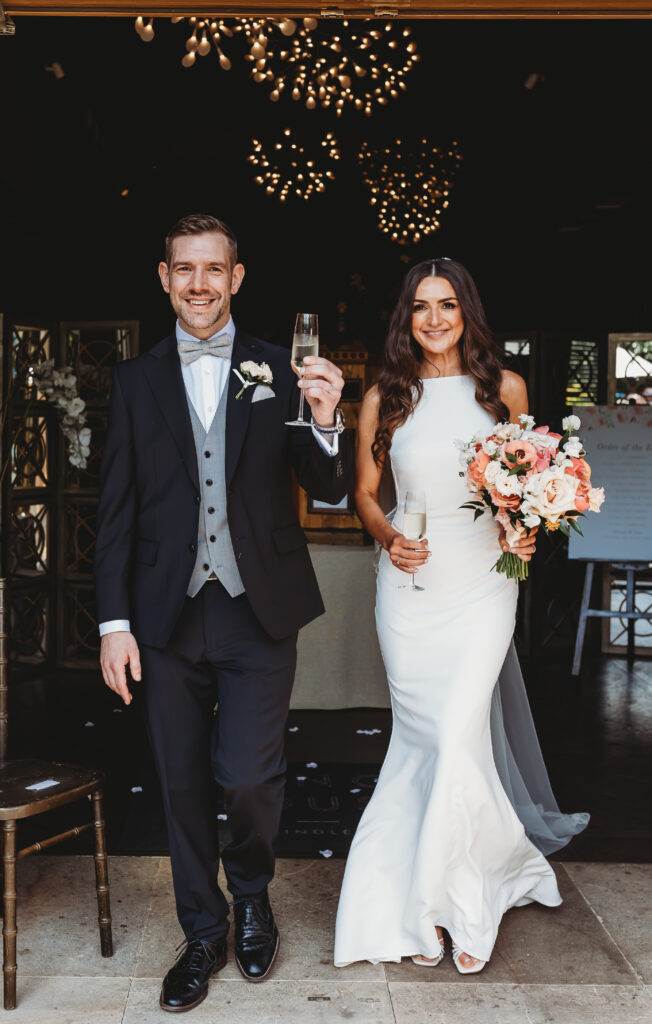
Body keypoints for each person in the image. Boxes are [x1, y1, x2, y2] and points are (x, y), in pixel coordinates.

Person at [95, 214, 353, 1012]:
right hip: (162, 617)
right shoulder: (136, 382)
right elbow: (115, 512)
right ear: (165, 278)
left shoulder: (283, 367)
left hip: (257, 611)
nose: (200, 283)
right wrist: (113, 626)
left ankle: (251, 896)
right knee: (176, 784)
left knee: (248, 777)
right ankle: (202, 930)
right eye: (185, 269)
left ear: (237, 279)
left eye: (214, 269)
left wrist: (325, 418)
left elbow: (330, 489)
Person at [334, 257, 587, 974]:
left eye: (447, 304)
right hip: (410, 589)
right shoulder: (387, 394)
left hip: (482, 586)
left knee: (454, 733)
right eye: (421, 306)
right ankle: (431, 901)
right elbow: (365, 493)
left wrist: (526, 524)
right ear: (405, 318)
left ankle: (466, 903)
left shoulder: (503, 389)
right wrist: (387, 538)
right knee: (427, 742)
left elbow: (530, 485)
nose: (435, 319)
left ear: (467, 311)